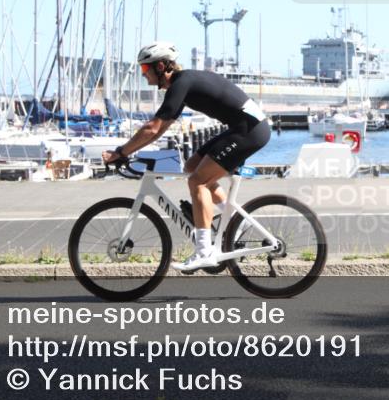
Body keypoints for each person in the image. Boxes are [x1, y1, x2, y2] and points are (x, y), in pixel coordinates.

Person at [101, 41, 271, 271]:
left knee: (197, 181)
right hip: (244, 128)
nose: (143, 76)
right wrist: (130, 150)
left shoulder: (182, 83)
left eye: (144, 69)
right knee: (192, 167)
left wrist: (121, 152)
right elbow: (159, 129)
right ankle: (232, 222)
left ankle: (204, 251)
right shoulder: (184, 83)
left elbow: (152, 128)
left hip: (249, 131)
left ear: (160, 67)